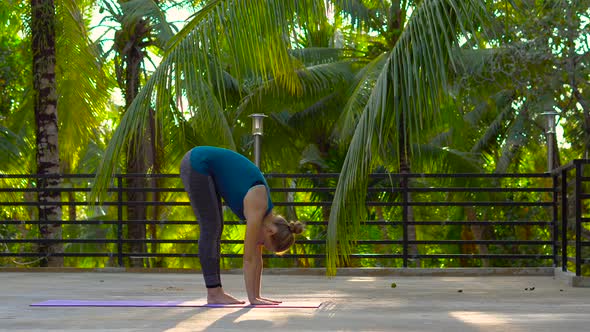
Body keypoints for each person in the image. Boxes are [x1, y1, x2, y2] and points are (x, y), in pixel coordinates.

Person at [179, 146, 304, 305]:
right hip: (197, 163)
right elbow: (249, 258)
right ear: (271, 231)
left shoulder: (264, 218)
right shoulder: (258, 205)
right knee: (212, 227)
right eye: (264, 243)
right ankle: (214, 293)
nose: (260, 245)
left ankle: (215, 292)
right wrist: (252, 299)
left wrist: (257, 297)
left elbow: (257, 260)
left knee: (214, 226)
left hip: (204, 166)